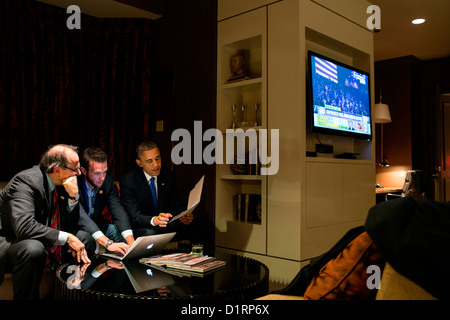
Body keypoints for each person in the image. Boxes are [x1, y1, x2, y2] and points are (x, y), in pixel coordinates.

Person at [0, 144, 94, 299]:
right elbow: (24, 227)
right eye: (75, 169)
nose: (78, 173)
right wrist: (68, 237)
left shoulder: (65, 183)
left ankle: (71, 293)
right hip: (15, 240)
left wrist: (73, 197)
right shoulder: (25, 181)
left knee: (85, 238)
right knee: (33, 248)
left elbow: (71, 225)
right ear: (57, 169)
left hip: (45, 237)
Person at [120, 141, 193, 239]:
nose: (156, 165)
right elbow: (135, 216)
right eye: (150, 161)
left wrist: (184, 215)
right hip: (142, 225)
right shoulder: (129, 180)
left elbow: (176, 204)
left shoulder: (167, 175)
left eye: (157, 159)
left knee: (194, 225)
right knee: (150, 233)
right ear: (139, 163)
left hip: (163, 223)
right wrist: (154, 220)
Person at [77, 147, 135, 253]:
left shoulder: (107, 182)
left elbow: (118, 210)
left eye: (104, 172)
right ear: (83, 171)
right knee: (86, 237)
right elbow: (81, 217)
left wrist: (131, 242)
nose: (102, 178)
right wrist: (108, 243)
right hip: (77, 227)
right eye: (97, 173)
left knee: (118, 232)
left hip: (98, 225)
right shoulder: (75, 184)